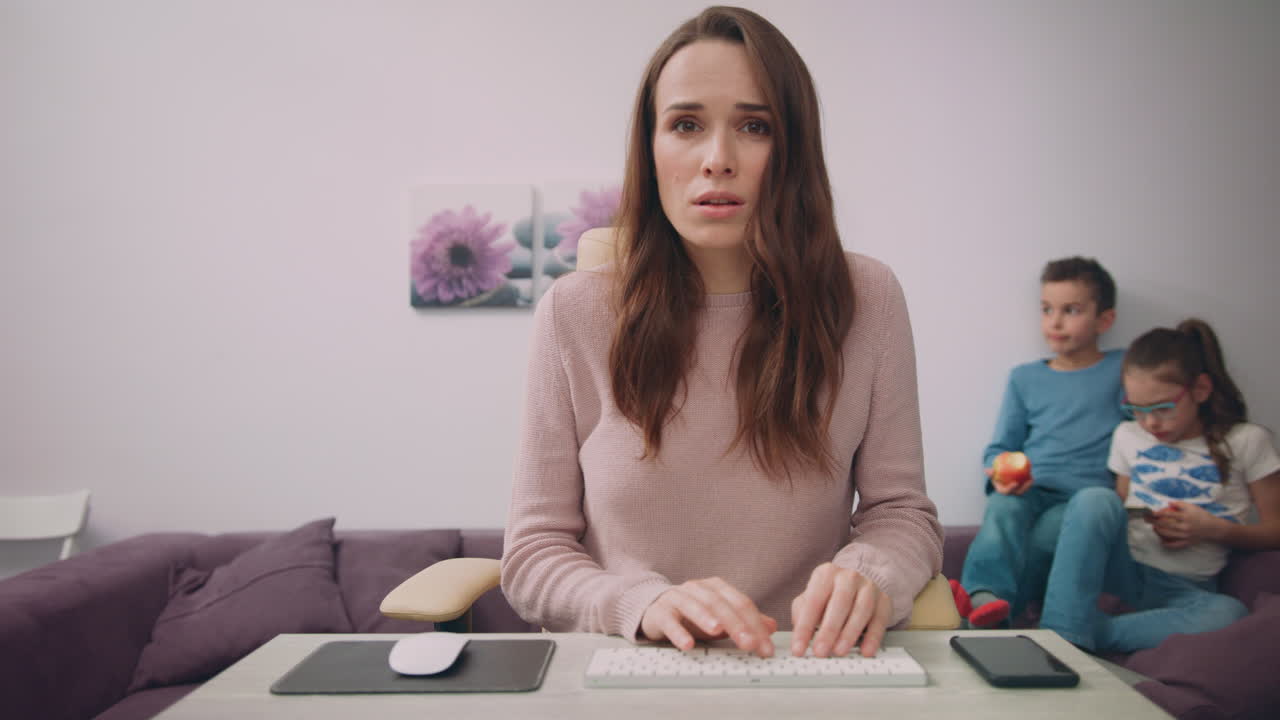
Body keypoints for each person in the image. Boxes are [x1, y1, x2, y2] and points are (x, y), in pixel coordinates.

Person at [500, 6, 942, 660]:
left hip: (806, 668)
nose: (717, 160)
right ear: (651, 149)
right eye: (685, 125)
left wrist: (872, 574)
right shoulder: (574, 312)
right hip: (632, 670)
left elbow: (902, 515)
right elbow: (533, 555)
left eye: (754, 126)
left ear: (792, 148)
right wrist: (637, 601)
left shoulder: (867, 299)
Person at [1039, 319, 1280, 652]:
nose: (1151, 422)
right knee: (1094, 499)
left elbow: (1276, 528)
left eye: (1163, 407)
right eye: (1137, 409)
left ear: (1200, 389)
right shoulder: (1127, 436)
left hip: (1185, 587)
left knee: (1230, 613)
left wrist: (1212, 529)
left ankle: (1078, 635)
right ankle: (1062, 634)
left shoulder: (1247, 441)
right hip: (1126, 570)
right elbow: (1116, 510)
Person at [953, 257, 1125, 627]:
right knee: (1003, 509)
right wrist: (1000, 473)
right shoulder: (1025, 378)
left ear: (1104, 320)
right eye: (1046, 309)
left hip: (1085, 500)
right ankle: (983, 597)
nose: (1055, 322)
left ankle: (1005, 615)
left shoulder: (1123, 370)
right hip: (1029, 489)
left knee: (1047, 535)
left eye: (1071, 310)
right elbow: (1000, 447)